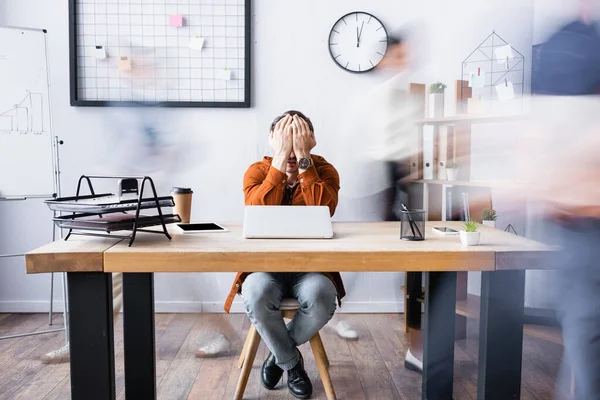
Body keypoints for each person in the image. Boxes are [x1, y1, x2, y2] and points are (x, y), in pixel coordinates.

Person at [223, 110, 345, 399]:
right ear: (272, 140)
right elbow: (257, 209)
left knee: (321, 296)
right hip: (264, 266)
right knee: (256, 293)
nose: (291, 148)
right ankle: (292, 363)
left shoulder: (325, 171)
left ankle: (278, 356)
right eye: (283, 139)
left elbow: (323, 208)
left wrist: (305, 160)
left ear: (311, 140)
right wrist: (279, 161)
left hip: (312, 267)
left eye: (298, 139)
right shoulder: (256, 171)